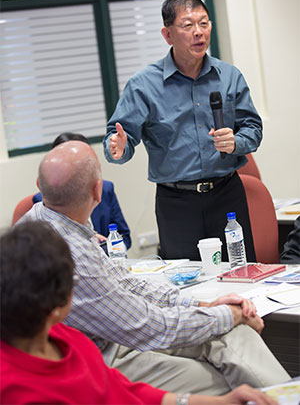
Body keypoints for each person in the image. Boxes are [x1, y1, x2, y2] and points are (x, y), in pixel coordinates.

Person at [17, 140, 290, 396]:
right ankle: (283, 397)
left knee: (233, 336)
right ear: (97, 191)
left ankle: (287, 396)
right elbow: (149, 328)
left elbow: (124, 282)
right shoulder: (67, 252)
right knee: (225, 380)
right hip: (99, 360)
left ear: (38, 186)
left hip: (117, 337)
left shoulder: (50, 220)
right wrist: (228, 315)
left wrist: (204, 306)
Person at [0, 221, 277, 405]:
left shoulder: (66, 340)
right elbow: (148, 329)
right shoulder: (17, 388)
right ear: (59, 308)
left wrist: (224, 402)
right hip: (133, 344)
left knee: (230, 348)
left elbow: (125, 392)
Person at [103, 0, 262, 263]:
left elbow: (253, 128)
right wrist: (117, 147)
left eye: (204, 23)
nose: (199, 32)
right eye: (188, 26)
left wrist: (236, 142)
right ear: (167, 34)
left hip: (227, 197)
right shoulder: (144, 85)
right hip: (176, 202)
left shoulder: (229, 76)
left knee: (241, 273)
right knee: (185, 283)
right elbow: (122, 139)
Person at [32, 132, 131, 249]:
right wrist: (87, 242)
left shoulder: (105, 189)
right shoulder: (44, 201)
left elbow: (124, 238)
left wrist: (103, 247)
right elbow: (49, 251)